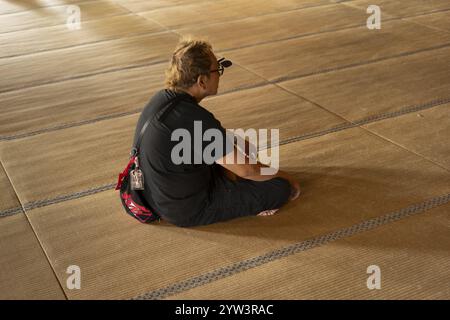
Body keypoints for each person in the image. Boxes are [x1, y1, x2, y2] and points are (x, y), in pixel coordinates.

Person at [132, 36, 301, 227]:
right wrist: (286, 177)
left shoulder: (162, 98)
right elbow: (248, 170)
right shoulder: (193, 117)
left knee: (238, 145)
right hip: (186, 209)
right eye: (218, 70)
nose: (220, 74)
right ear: (202, 81)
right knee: (279, 189)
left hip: (153, 195)